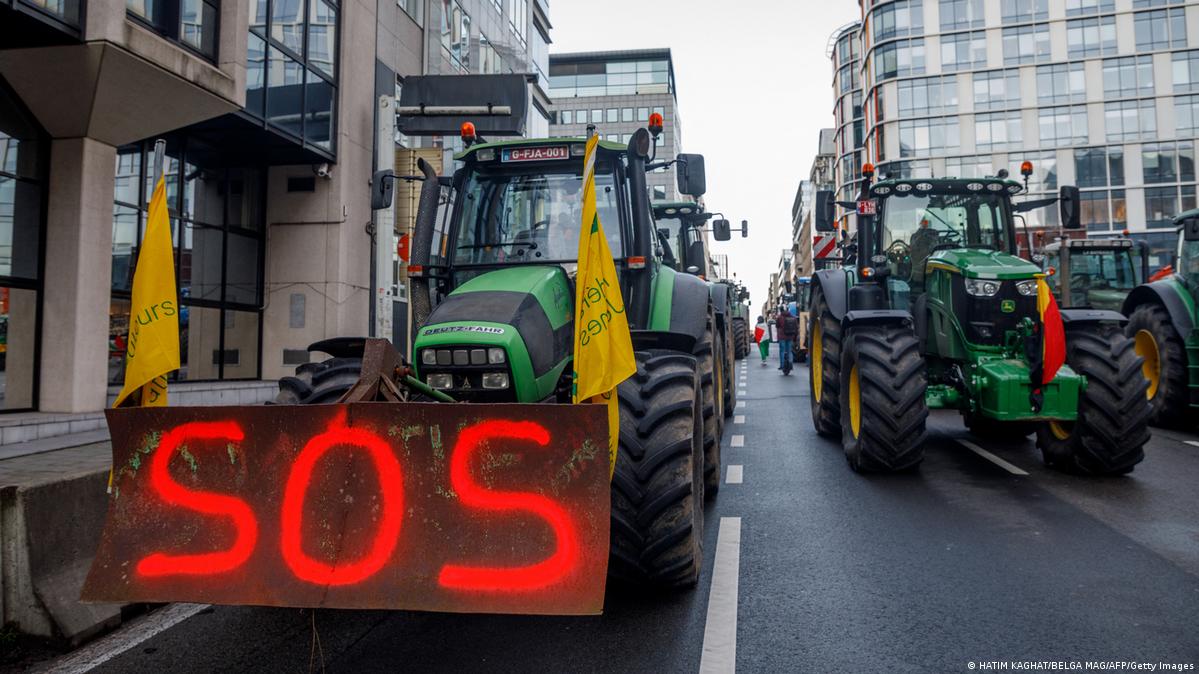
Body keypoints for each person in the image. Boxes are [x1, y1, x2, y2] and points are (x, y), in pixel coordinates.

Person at [776, 305, 799, 375]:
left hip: (782, 337)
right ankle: (790, 364)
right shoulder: (793, 317)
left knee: (782, 351)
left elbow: (777, 326)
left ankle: (782, 365)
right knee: (790, 351)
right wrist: (794, 337)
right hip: (790, 337)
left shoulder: (779, 317)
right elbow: (796, 327)